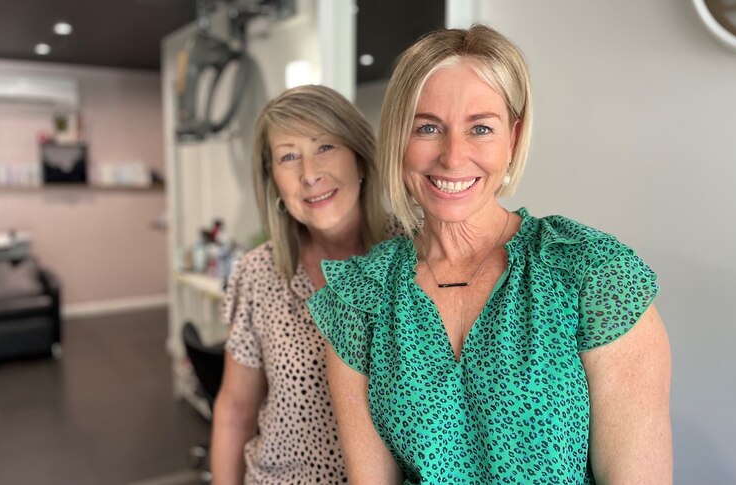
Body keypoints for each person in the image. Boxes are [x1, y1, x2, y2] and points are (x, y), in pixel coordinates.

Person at [308, 25, 672, 484]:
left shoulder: (593, 274)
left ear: (513, 138)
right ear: (399, 137)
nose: (453, 156)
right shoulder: (361, 297)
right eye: (427, 127)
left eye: (480, 128)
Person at [210, 85, 396, 484]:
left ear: (360, 158)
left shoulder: (415, 256)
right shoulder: (258, 273)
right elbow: (236, 409)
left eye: (325, 147)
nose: (309, 174)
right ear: (273, 179)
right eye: (288, 156)